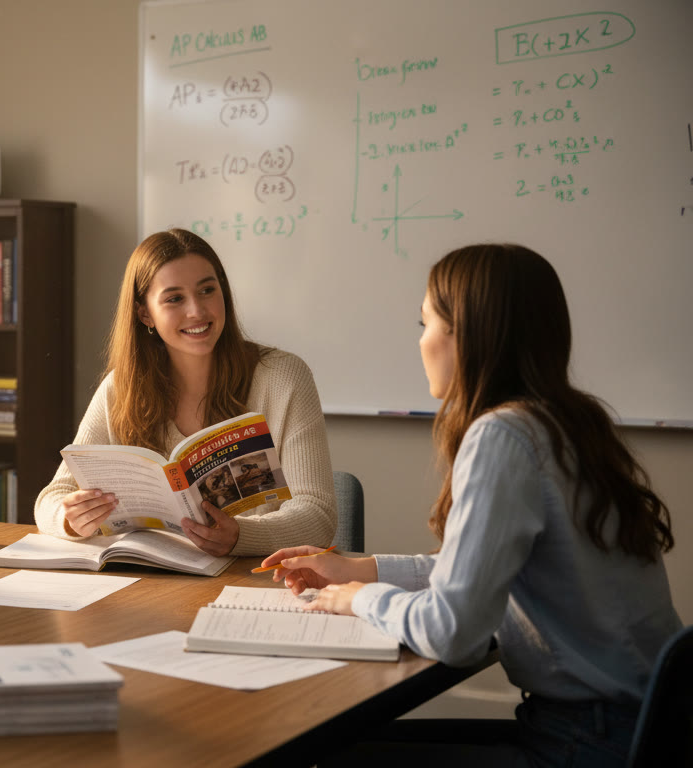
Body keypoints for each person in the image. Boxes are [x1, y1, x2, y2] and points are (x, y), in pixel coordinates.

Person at [260, 244, 680, 766]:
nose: (421, 341)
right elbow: (475, 572)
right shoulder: (568, 423)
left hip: (586, 742)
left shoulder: (504, 436)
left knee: (326, 756)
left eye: (426, 323)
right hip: (637, 727)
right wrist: (358, 569)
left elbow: (452, 632)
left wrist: (359, 599)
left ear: (467, 334)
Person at [34, 229, 336, 556]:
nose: (197, 311)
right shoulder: (121, 388)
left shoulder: (282, 377)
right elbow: (51, 498)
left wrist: (241, 536)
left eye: (207, 290)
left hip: (254, 577)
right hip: (150, 577)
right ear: (145, 313)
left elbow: (318, 515)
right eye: (174, 299)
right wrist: (71, 519)